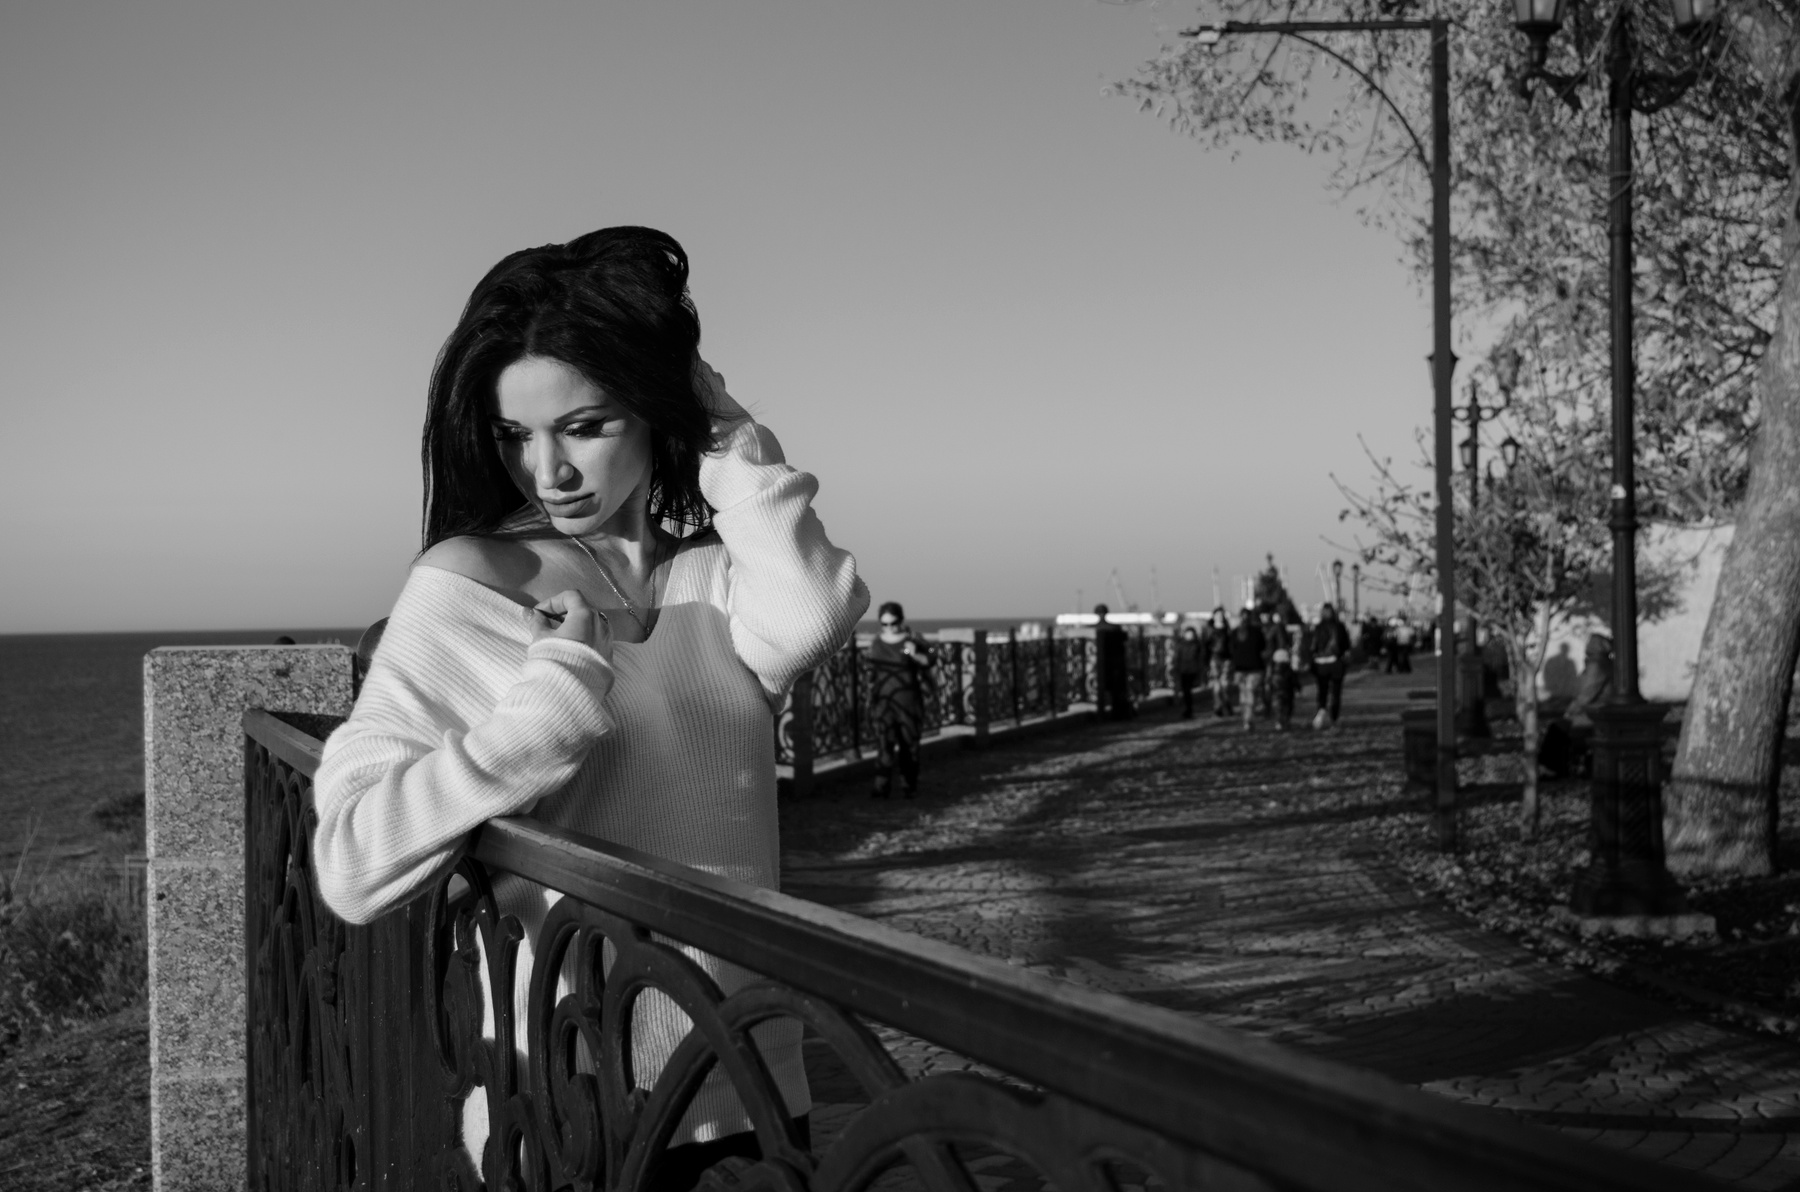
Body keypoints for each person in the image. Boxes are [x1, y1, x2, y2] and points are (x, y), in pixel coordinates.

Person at [307, 227, 867, 1181]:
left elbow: (814, 613)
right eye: (514, 435)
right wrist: (554, 702)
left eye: (585, 425)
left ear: (655, 409)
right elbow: (353, 862)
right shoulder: (476, 579)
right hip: (571, 1109)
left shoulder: (716, 580)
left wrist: (718, 418)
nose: (548, 471)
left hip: (751, 1090)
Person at [866, 601, 932, 797]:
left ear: (901, 621)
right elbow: (870, 673)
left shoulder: (913, 639)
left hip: (909, 701)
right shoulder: (876, 643)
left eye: (893, 623)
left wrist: (915, 654)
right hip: (884, 702)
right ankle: (881, 787)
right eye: (884, 624)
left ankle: (908, 786)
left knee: (909, 745)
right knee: (884, 744)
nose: (889, 628)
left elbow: (930, 660)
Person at [1308, 602, 1353, 730]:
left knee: (1322, 691)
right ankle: (1334, 719)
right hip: (1335, 663)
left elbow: (1313, 647)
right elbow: (1346, 647)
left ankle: (1321, 711)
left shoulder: (1318, 628)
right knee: (1335, 692)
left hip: (1320, 664)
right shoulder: (1339, 627)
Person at [1093, 604, 1136, 720]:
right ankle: (1118, 713)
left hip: (1100, 665)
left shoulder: (1094, 629)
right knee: (1117, 690)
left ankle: (1105, 712)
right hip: (1115, 664)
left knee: (1102, 689)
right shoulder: (1115, 628)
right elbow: (1123, 643)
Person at [1227, 607, 1267, 732]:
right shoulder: (1255, 632)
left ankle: (1248, 719)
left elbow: (1231, 650)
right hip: (1247, 668)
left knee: (1246, 694)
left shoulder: (1237, 632)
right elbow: (1263, 647)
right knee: (1246, 694)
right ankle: (1247, 719)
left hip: (1247, 669)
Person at [1204, 607, 1235, 717]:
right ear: (1214, 616)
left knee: (1225, 684)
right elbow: (1205, 646)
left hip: (1226, 659)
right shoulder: (1209, 629)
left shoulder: (1227, 629)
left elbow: (1232, 644)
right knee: (1216, 685)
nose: (1220, 617)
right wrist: (1205, 661)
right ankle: (1218, 707)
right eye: (1218, 615)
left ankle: (1227, 704)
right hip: (1214, 658)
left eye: (1221, 615)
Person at [1174, 624, 1205, 718]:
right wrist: (1176, 668)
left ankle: (1188, 709)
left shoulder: (1197, 645)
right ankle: (1187, 708)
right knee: (1185, 690)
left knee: (1187, 690)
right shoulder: (1181, 644)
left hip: (1192, 670)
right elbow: (1177, 657)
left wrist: (1200, 670)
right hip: (1183, 670)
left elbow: (1200, 658)